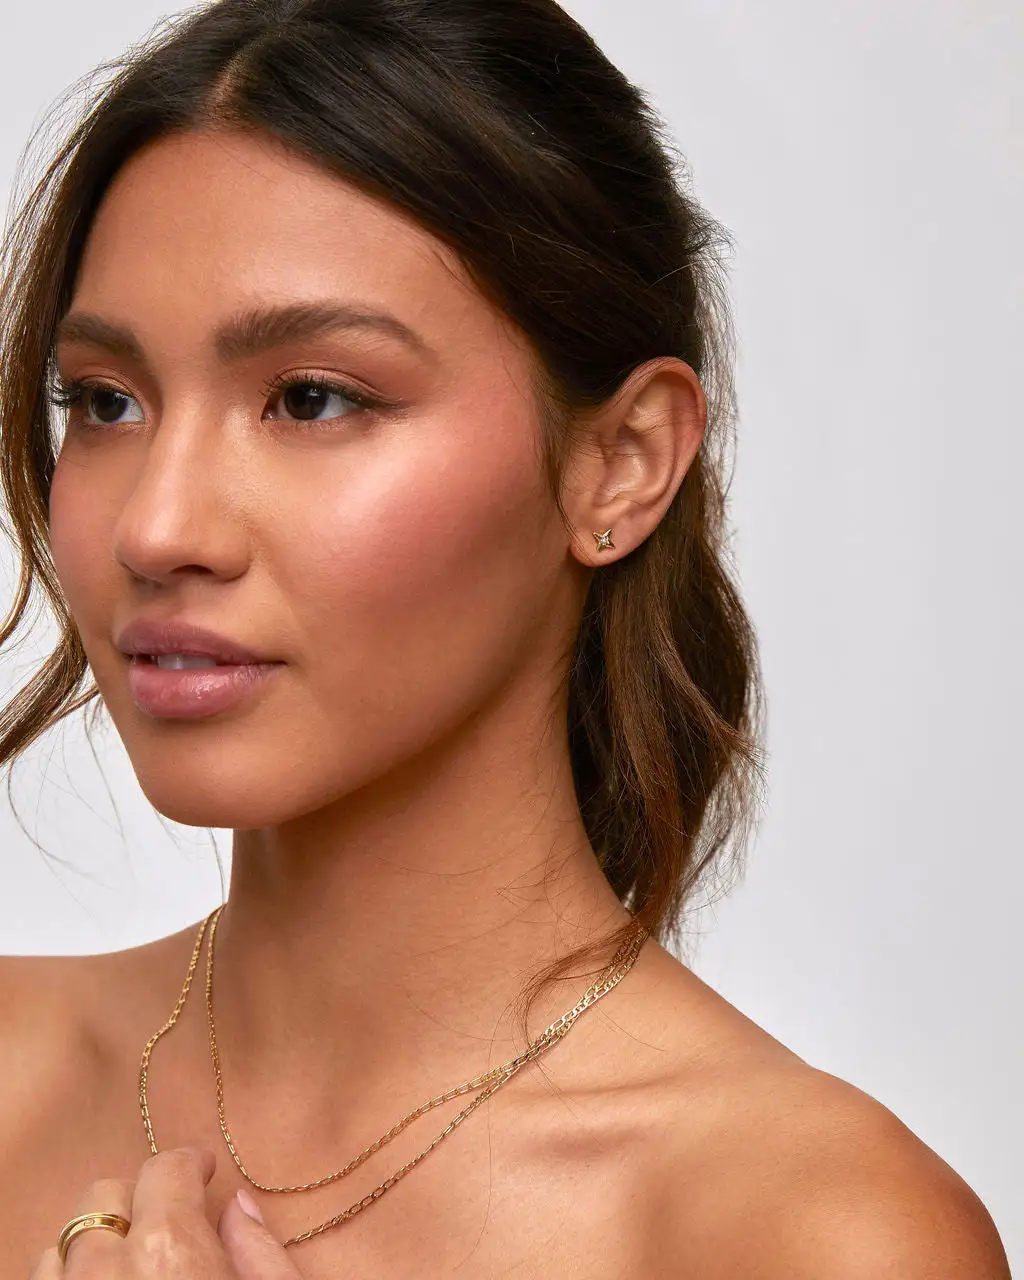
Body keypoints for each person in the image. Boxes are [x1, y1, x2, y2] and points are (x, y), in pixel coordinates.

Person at [0, 0, 1010, 1275]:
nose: (157, 526)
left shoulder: (804, 1234)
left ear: (620, 462)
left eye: (311, 398)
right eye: (105, 402)